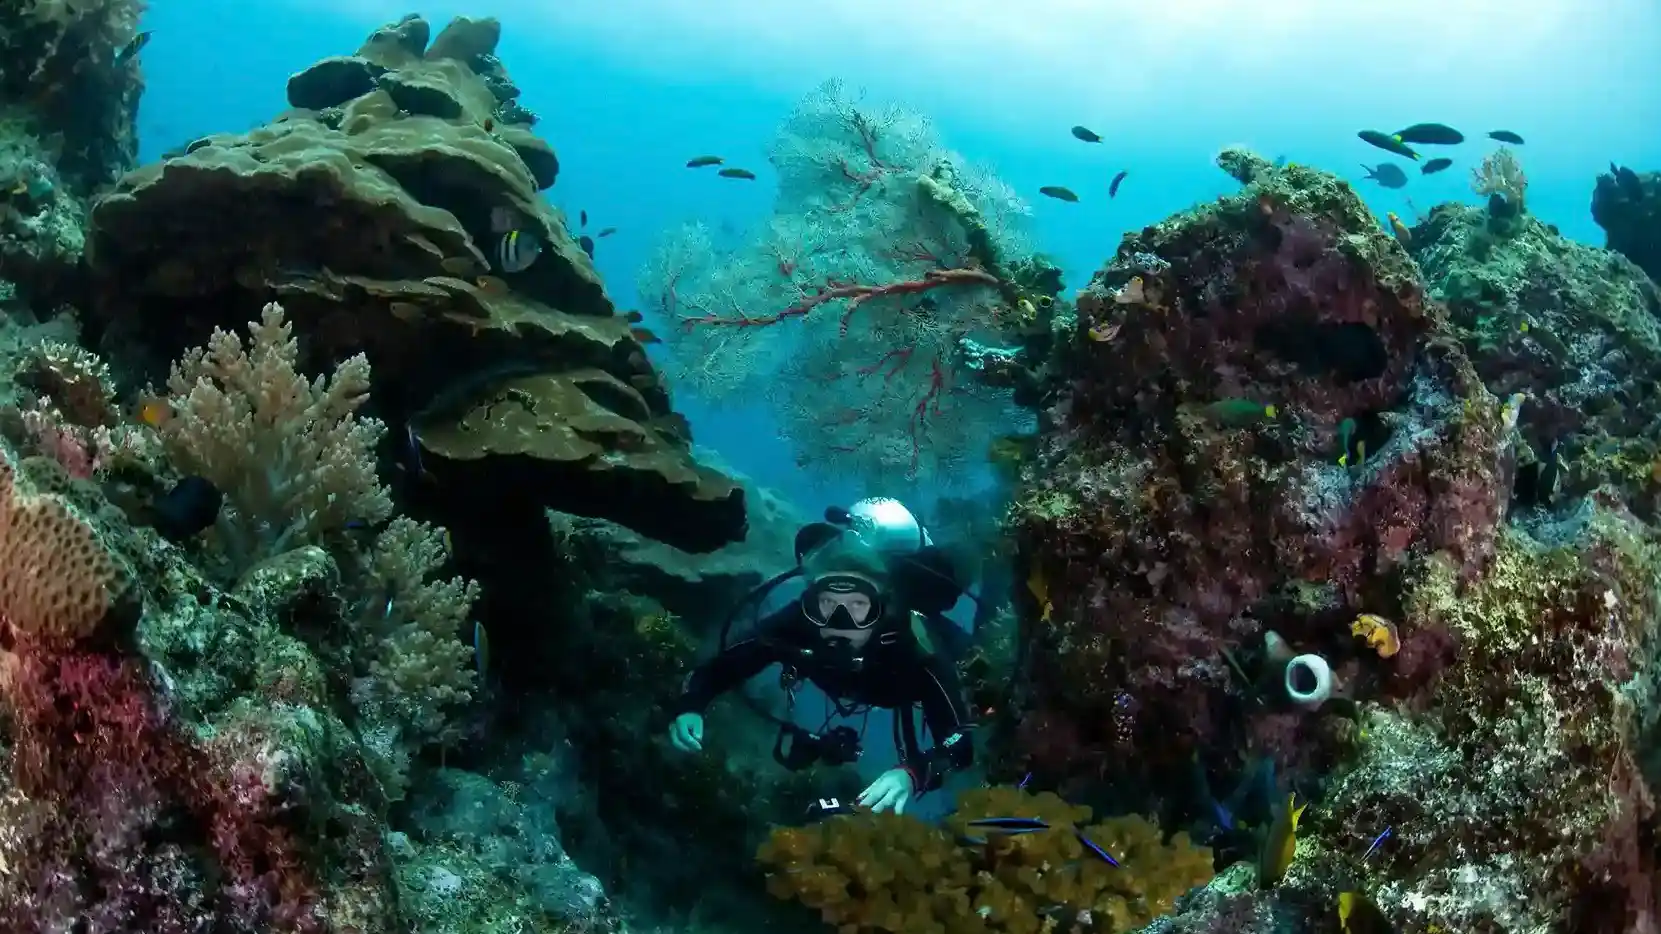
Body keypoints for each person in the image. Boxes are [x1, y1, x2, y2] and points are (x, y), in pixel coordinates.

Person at [667, 502, 974, 814]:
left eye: (857, 605)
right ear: (809, 602)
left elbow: (960, 741)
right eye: (827, 603)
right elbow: (720, 669)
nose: (839, 622)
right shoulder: (797, 623)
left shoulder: (914, 645)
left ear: (882, 608)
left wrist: (913, 773)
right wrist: (691, 704)